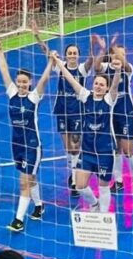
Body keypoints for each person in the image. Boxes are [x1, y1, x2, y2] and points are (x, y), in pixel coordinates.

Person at [30, 23, 100, 200]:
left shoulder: (82, 69)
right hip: (62, 111)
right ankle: (73, 172)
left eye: (75, 53)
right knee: (69, 147)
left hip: (78, 113)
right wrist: (38, 36)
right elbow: (46, 52)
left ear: (78, 56)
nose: (72, 56)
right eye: (69, 53)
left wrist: (92, 46)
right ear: (66, 55)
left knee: (76, 147)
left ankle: (75, 179)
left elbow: (91, 60)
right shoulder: (60, 66)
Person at [51, 51, 121, 212]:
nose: (98, 86)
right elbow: (70, 78)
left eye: (102, 85)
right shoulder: (85, 96)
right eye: (96, 83)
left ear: (106, 88)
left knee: (104, 187)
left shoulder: (109, 100)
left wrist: (117, 71)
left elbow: (116, 85)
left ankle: (103, 217)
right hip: (87, 151)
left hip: (105, 152)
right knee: (80, 186)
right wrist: (59, 63)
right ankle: (94, 204)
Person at [0, 47, 54, 232]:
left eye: (25, 82)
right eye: (19, 81)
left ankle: (18, 220)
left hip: (32, 145)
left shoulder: (34, 97)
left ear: (30, 83)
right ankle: (39, 205)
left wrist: (52, 62)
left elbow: (44, 80)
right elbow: (4, 71)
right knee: (31, 179)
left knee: (24, 182)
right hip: (17, 145)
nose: (21, 84)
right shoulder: (12, 93)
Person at [98, 40, 133, 196]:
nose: (120, 57)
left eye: (123, 55)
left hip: (126, 114)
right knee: (115, 150)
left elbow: (124, 63)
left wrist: (116, 51)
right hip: (111, 116)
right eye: (117, 54)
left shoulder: (128, 70)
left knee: (128, 150)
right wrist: (103, 49)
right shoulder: (105, 69)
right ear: (110, 56)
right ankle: (118, 182)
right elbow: (96, 67)